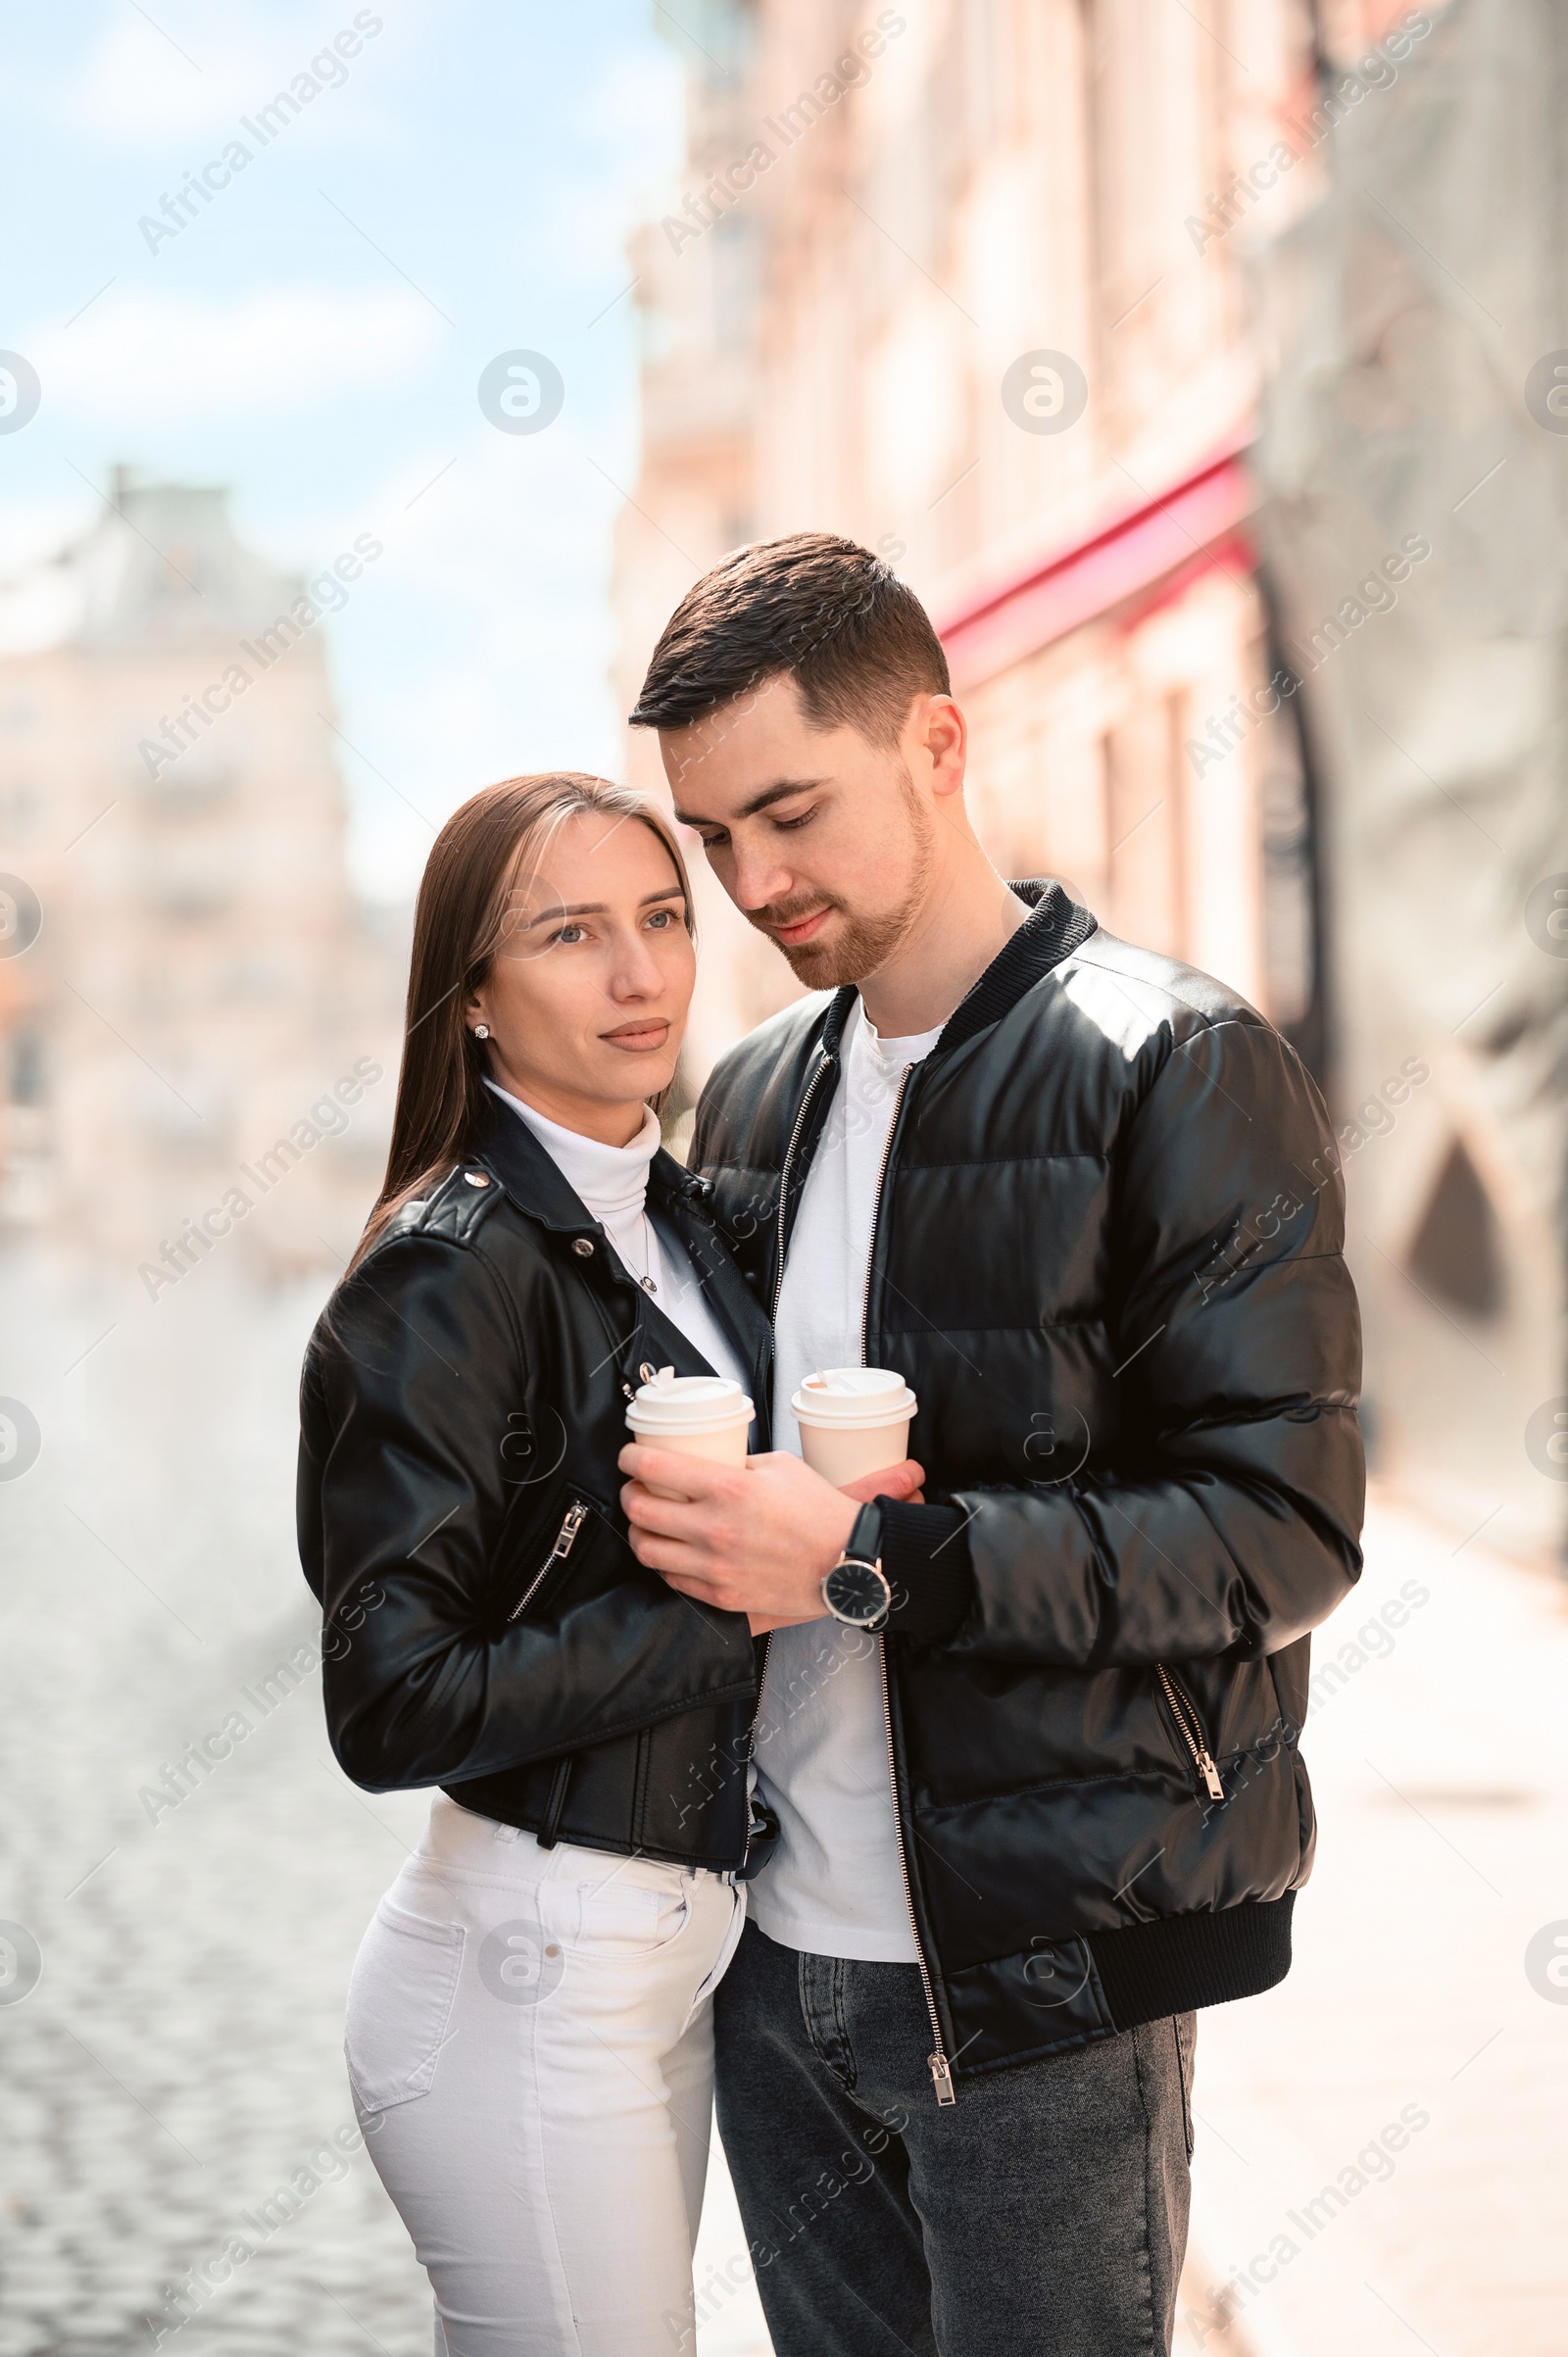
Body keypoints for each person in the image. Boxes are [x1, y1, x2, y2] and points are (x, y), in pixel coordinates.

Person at [618, 535, 1366, 2357]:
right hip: (778, 1968)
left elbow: (1282, 1530)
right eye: (713, 839)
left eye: (790, 811)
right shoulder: (754, 1091)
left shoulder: (1172, 1061)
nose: (753, 880)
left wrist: (875, 1560)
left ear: (939, 745)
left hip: (1046, 1975)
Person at [295, 770, 922, 2355]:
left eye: (660, 918)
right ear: (476, 1000)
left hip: (670, 1960)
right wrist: (729, 1612)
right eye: (573, 934)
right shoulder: (445, 1274)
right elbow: (389, 1697)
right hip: (526, 1969)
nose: (642, 975)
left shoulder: (681, 1217)